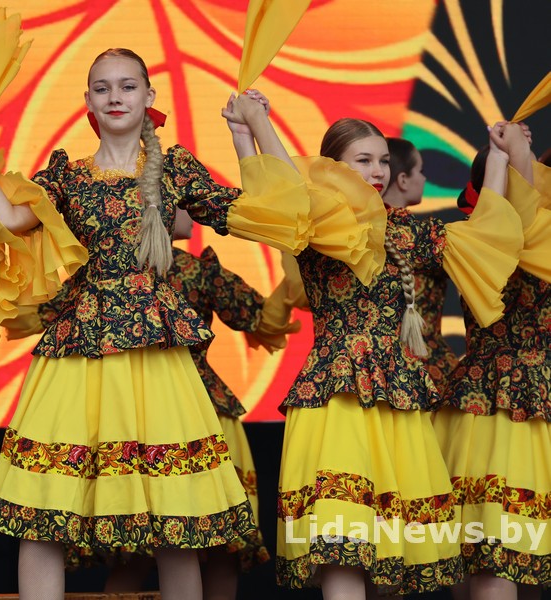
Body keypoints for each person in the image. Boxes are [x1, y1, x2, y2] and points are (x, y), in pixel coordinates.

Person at [0, 48, 311, 599]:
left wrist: (251, 129)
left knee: (176, 515)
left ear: (149, 97)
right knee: (44, 508)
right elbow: (9, 217)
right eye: (102, 88)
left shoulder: (176, 169)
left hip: (156, 351)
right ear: (88, 102)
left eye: (126, 86)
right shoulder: (67, 174)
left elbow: (274, 211)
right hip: (79, 347)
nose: (115, 97)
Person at [222, 104, 524, 598]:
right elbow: (280, 191)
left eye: (383, 160)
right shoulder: (316, 219)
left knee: (388, 553)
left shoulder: (404, 229)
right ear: (331, 169)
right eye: (363, 160)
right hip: (337, 397)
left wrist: (498, 159)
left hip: (396, 399)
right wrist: (250, 129)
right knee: (343, 547)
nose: (378, 171)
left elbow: (482, 237)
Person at [434, 122, 549, 600]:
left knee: (514, 559)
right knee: (494, 556)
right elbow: (515, 220)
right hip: (500, 404)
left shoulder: (482, 237)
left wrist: (514, 154)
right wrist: (514, 154)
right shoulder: (484, 238)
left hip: (493, 402)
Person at [383, 137, 459, 393]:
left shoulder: (350, 233)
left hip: (376, 366)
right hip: (426, 364)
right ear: (403, 179)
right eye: (421, 170)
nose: (425, 178)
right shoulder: (425, 236)